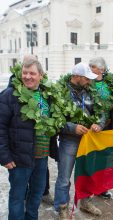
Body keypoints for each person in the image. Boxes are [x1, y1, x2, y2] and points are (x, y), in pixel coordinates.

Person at [0, 58, 53, 220]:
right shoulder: (9, 95)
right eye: (25, 72)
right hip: (19, 158)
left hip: (41, 156)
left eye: (32, 73)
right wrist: (5, 156)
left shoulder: (48, 95)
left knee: (36, 193)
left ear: (41, 76)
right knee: (17, 195)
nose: (28, 76)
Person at [54, 62, 105, 219]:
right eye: (86, 78)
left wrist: (100, 124)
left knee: (87, 173)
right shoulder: (60, 92)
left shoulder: (90, 91)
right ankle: (62, 207)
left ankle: (85, 202)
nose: (89, 81)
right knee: (64, 176)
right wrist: (72, 127)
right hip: (69, 140)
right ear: (76, 77)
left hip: (88, 139)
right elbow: (54, 119)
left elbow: (102, 112)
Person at [89, 57, 112, 199]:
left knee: (104, 159)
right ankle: (91, 187)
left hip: (108, 126)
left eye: (94, 67)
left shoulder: (108, 83)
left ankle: (101, 187)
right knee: (93, 159)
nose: (91, 70)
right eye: (91, 67)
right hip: (94, 126)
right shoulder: (88, 83)